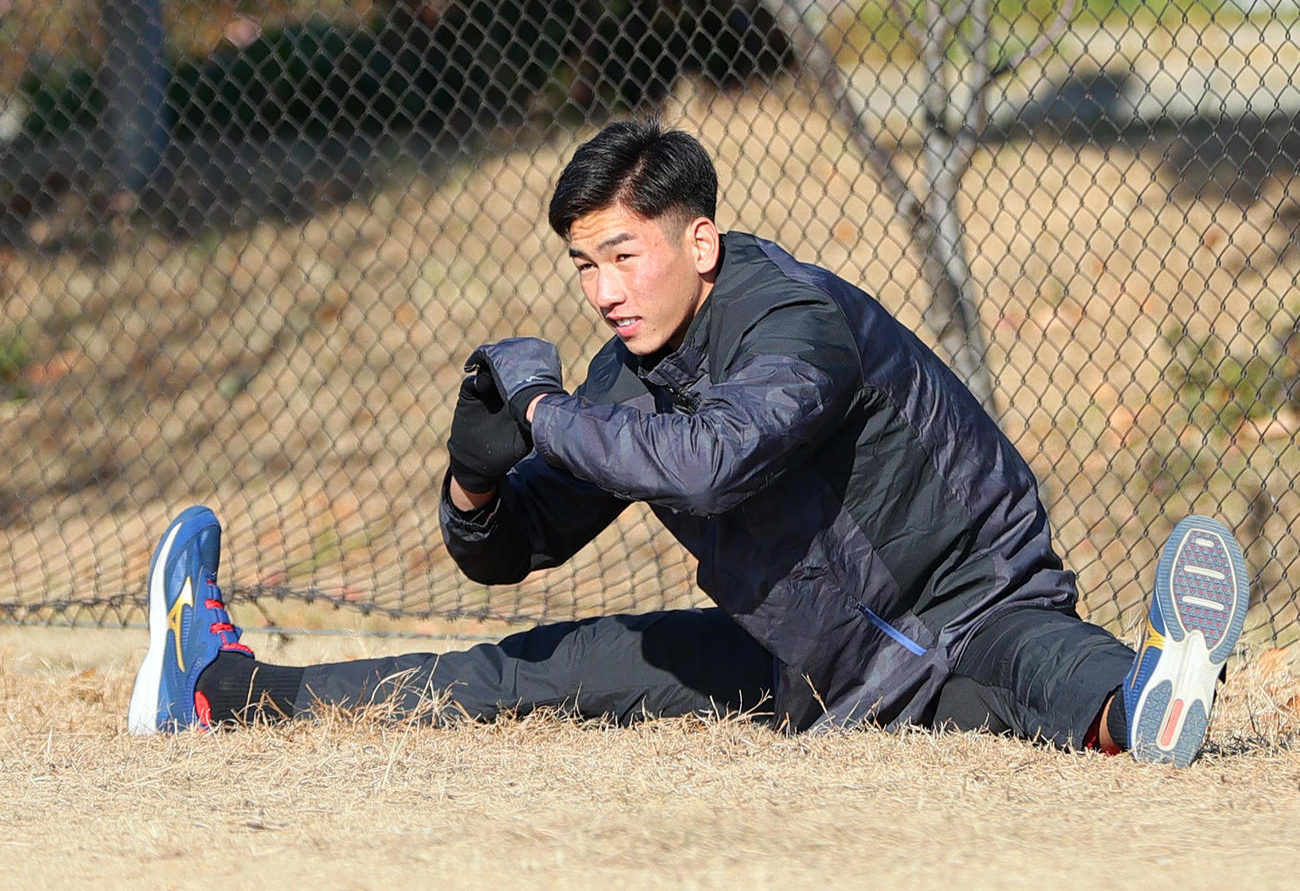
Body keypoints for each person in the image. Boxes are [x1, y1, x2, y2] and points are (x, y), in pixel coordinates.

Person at [127, 120, 1250, 766]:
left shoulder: (796, 320)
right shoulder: (627, 373)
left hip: (970, 602)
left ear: (698, 238)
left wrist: (541, 415)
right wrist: (475, 477)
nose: (603, 290)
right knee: (532, 665)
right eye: (583, 265)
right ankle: (228, 685)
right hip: (815, 673)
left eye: (624, 254)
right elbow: (517, 545)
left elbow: (717, 458)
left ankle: (1145, 695)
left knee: (1038, 671)